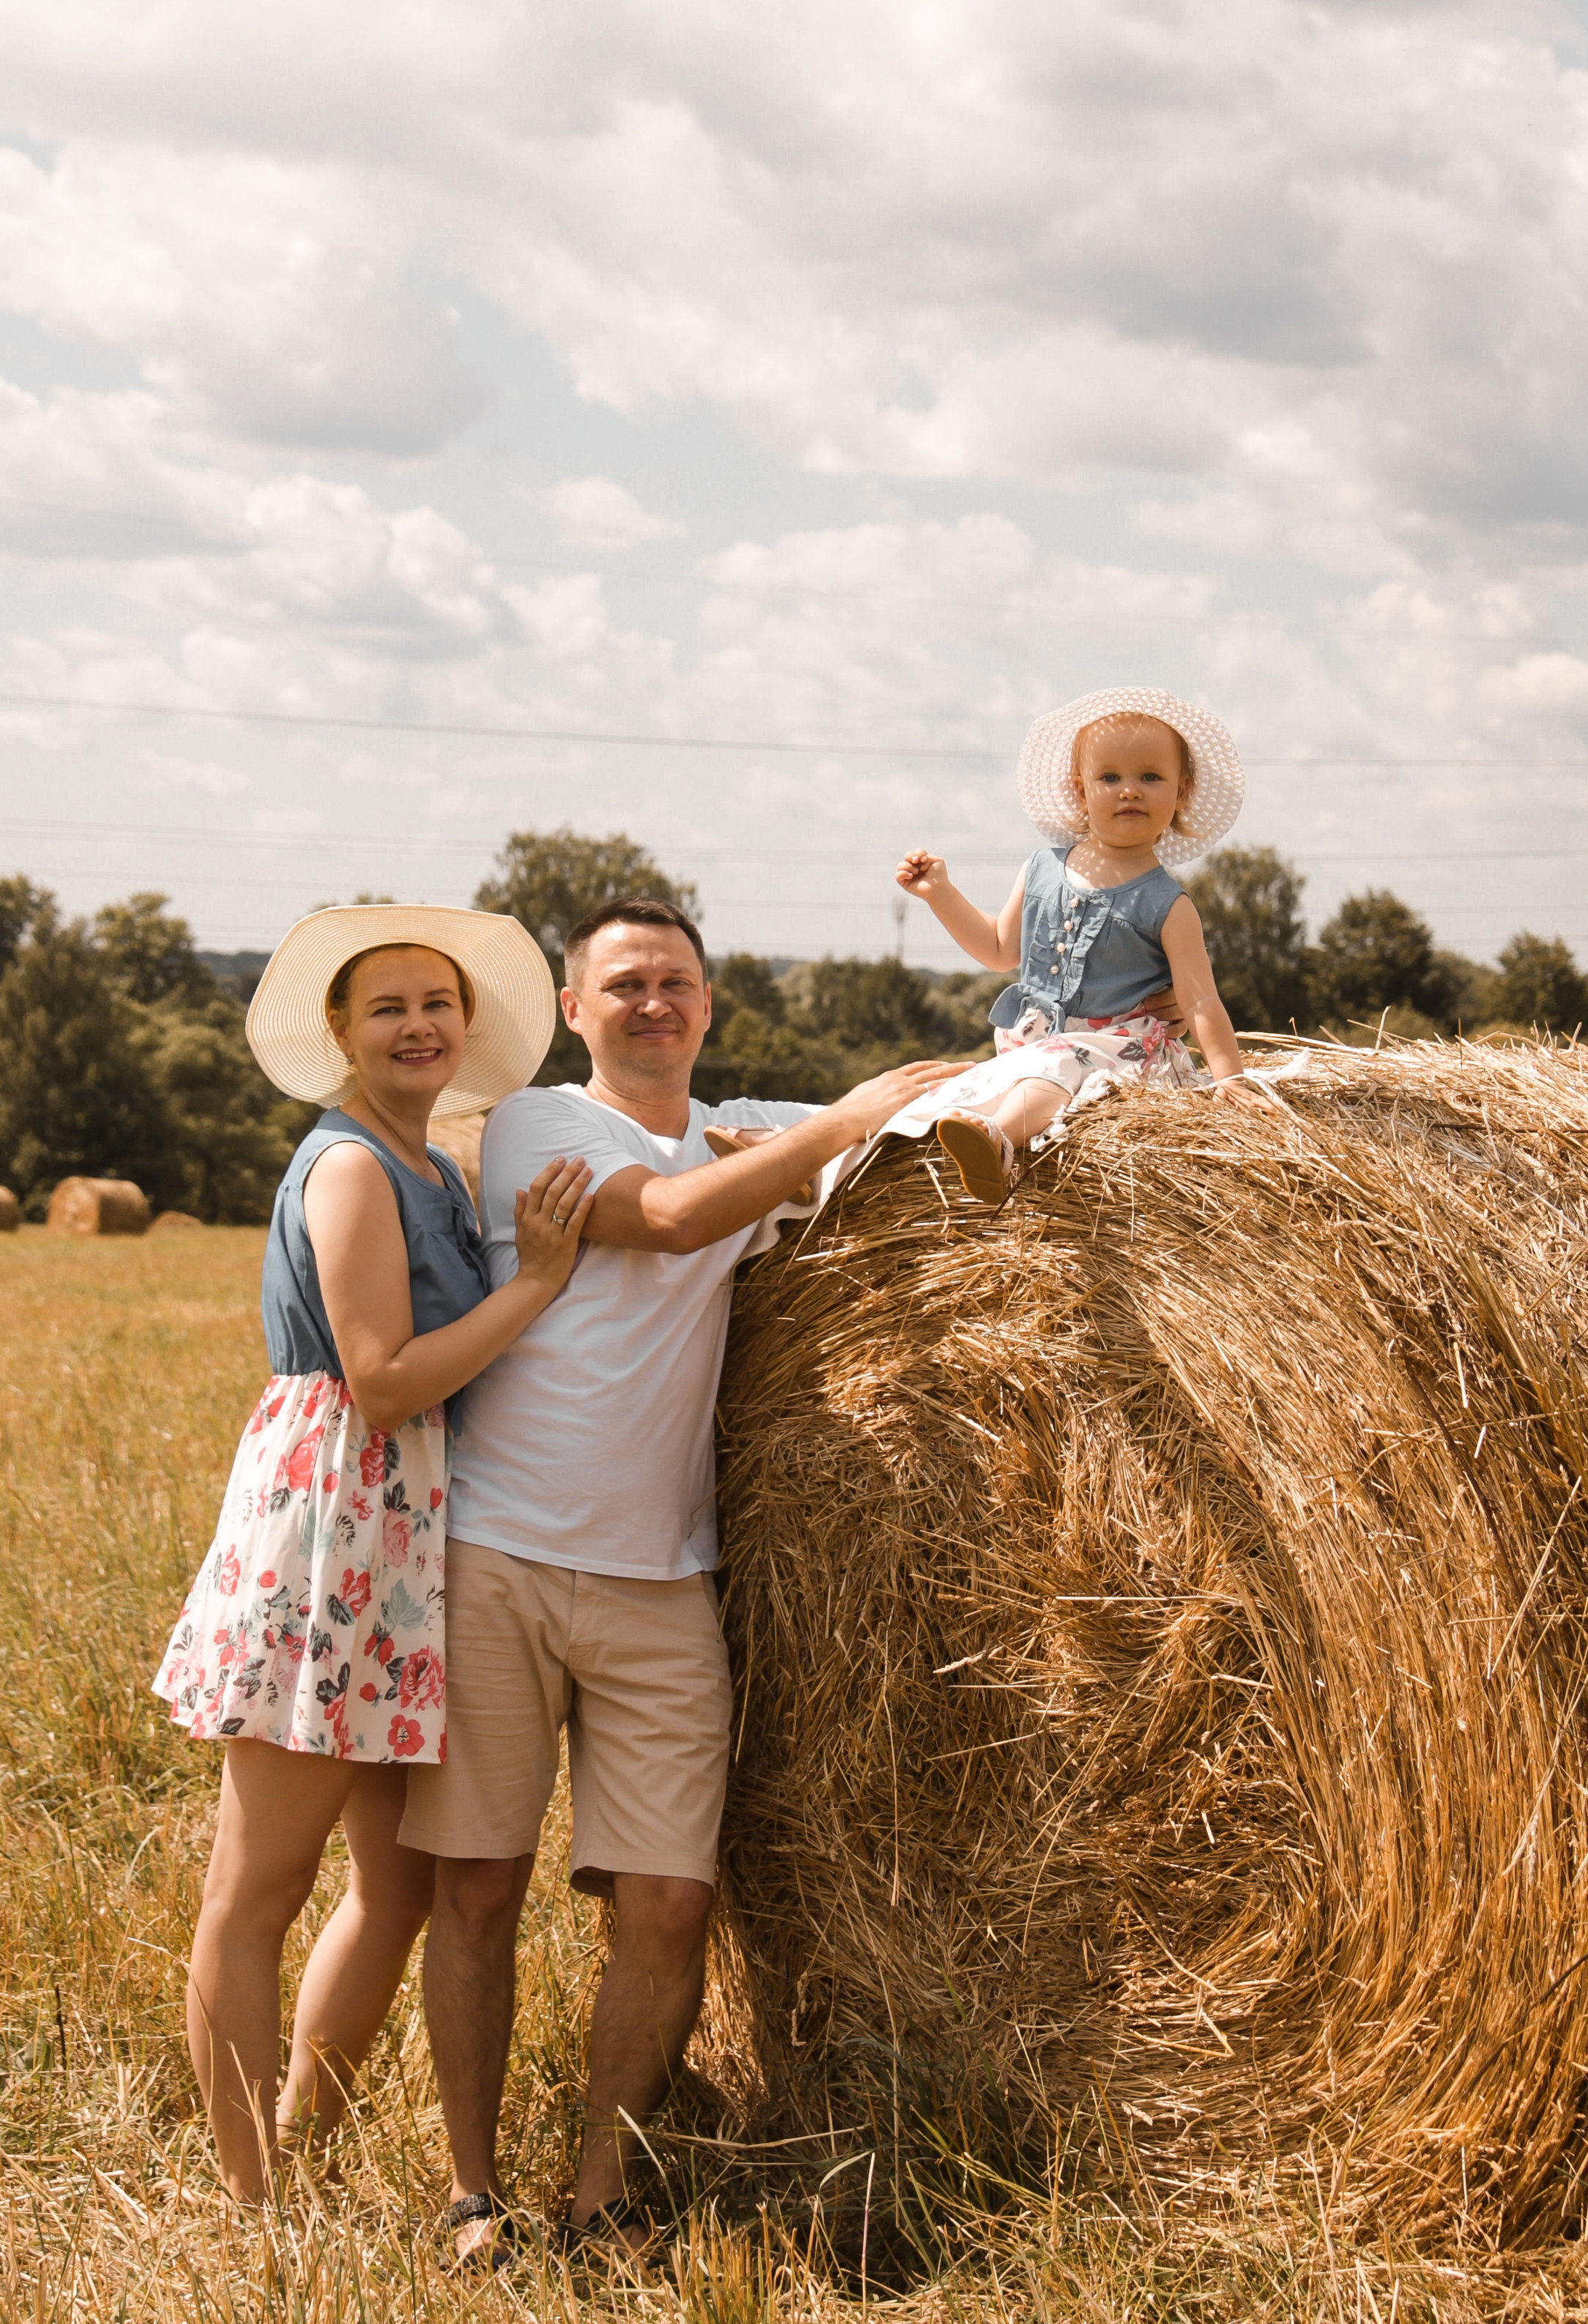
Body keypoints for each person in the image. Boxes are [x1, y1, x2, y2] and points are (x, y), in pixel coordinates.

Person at [398, 897, 963, 2270]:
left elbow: (923, 1132)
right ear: (577, 1011)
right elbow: (661, 1219)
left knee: (668, 1903)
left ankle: (600, 2202)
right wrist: (832, 1126)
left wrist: (1048, 1067)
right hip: (505, 1555)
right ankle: (475, 2192)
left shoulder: (745, 1124)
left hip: (667, 1577)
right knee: (475, 1885)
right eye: (627, 984)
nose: (657, 1003)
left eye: (680, 984)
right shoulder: (538, 1126)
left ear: (708, 1005)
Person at [153, 902, 595, 2201]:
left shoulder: (436, 1169)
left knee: (397, 1890)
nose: (418, 1025)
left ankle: (302, 2143)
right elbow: (384, 1380)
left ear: (466, 1029)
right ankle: (251, 2203)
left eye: (437, 1004)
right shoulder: (349, 1165)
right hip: (331, 1533)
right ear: (341, 1029)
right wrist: (538, 1285)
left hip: (403, 1547)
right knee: (257, 1890)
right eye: (388, 1006)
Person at [894, 684, 1267, 1200]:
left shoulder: (1168, 904)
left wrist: (1229, 1078)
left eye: (1150, 777)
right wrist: (940, 894)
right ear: (1080, 789)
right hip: (1039, 1047)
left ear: (1181, 792)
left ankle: (998, 1143)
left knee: (1057, 1068)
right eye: (1109, 777)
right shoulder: (1041, 868)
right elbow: (1000, 949)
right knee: (947, 1097)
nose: (1129, 790)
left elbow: (1201, 999)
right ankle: (844, 1159)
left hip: (1123, 1053)